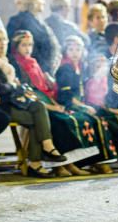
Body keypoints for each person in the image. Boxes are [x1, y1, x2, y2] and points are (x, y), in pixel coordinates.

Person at [0, 27, 67, 178]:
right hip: (2, 105)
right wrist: (15, 86)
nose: (2, 43)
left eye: (4, 40)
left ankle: (46, 147)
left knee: (38, 107)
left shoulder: (9, 61)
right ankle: (36, 162)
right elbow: (0, 88)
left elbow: (20, 84)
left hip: (17, 101)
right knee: (36, 119)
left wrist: (17, 87)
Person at [11, 30, 95, 177]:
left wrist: (49, 84)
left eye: (30, 45)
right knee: (58, 120)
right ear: (16, 46)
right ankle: (59, 165)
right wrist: (53, 106)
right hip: (32, 103)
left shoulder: (33, 62)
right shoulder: (17, 64)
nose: (27, 48)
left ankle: (70, 163)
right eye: (24, 45)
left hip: (44, 100)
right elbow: (29, 91)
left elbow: (44, 87)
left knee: (66, 118)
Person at [54, 37, 115, 174]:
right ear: (66, 51)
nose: (75, 53)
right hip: (67, 104)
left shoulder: (80, 67)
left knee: (100, 119)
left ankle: (98, 161)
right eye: (71, 49)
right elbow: (67, 96)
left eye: (78, 49)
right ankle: (82, 162)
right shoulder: (66, 68)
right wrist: (84, 107)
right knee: (89, 120)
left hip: (78, 103)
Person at [6, 0, 62, 74]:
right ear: (33, 1)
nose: (44, 2)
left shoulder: (38, 21)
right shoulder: (20, 22)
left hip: (40, 73)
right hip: (31, 75)